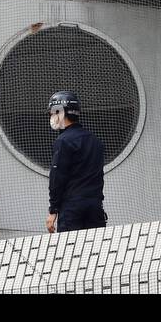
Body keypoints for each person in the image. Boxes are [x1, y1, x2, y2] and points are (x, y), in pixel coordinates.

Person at [46, 90, 106, 234]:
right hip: (95, 207)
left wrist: (53, 210)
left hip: (72, 209)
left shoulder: (63, 141)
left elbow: (57, 177)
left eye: (53, 113)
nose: (51, 117)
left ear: (60, 112)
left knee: (71, 252)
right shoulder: (95, 141)